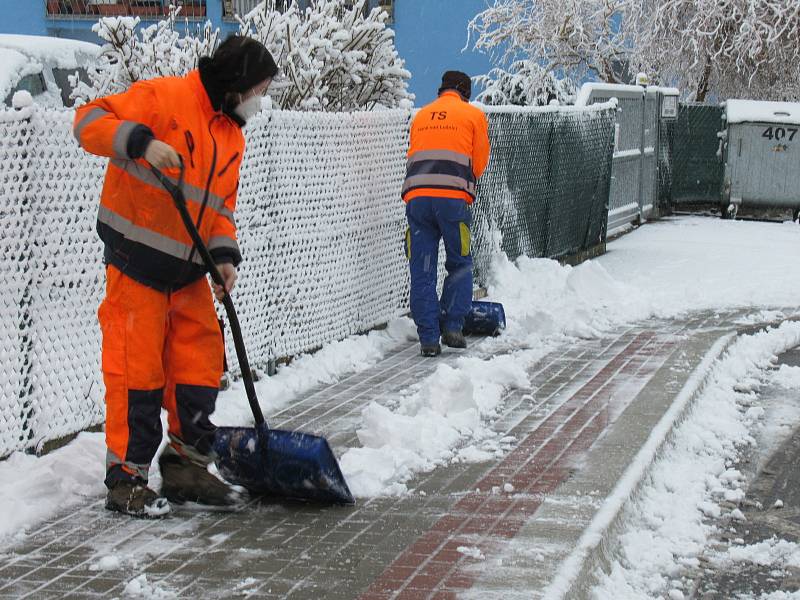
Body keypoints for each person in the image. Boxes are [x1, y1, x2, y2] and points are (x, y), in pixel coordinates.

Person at [73, 36, 278, 517]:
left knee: (200, 367)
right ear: (235, 83)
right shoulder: (163, 98)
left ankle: (186, 466)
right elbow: (88, 122)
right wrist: (142, 142)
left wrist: (224, 256)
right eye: (258, 89)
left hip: (188, 272)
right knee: (136, 375)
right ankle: (126, 479)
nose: (259, 100)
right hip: (136, 263)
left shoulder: (231, 135)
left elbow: (220, 208)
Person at [402, 70, 491, 357]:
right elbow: (479, 162)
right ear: (466, 92)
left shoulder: (422, 116)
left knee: (422, 268)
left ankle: (428, 338)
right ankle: (452, 327)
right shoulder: (472, 115)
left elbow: (413, 153)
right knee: (460, 261)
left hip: (417, 200)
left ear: (441, 91)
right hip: (452, 201)